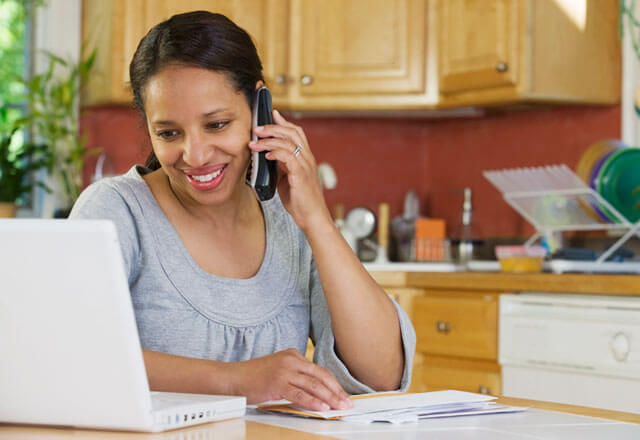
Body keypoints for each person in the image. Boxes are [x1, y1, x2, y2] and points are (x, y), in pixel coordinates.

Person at [70, 10, 415, 411]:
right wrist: (234, 381)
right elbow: (73, 354)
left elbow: (382, 375)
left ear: (259, 108)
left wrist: (317, 221)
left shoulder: (290, 224)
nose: (194, 155)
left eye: (216, 125)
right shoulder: (116, 211)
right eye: (168, 133)